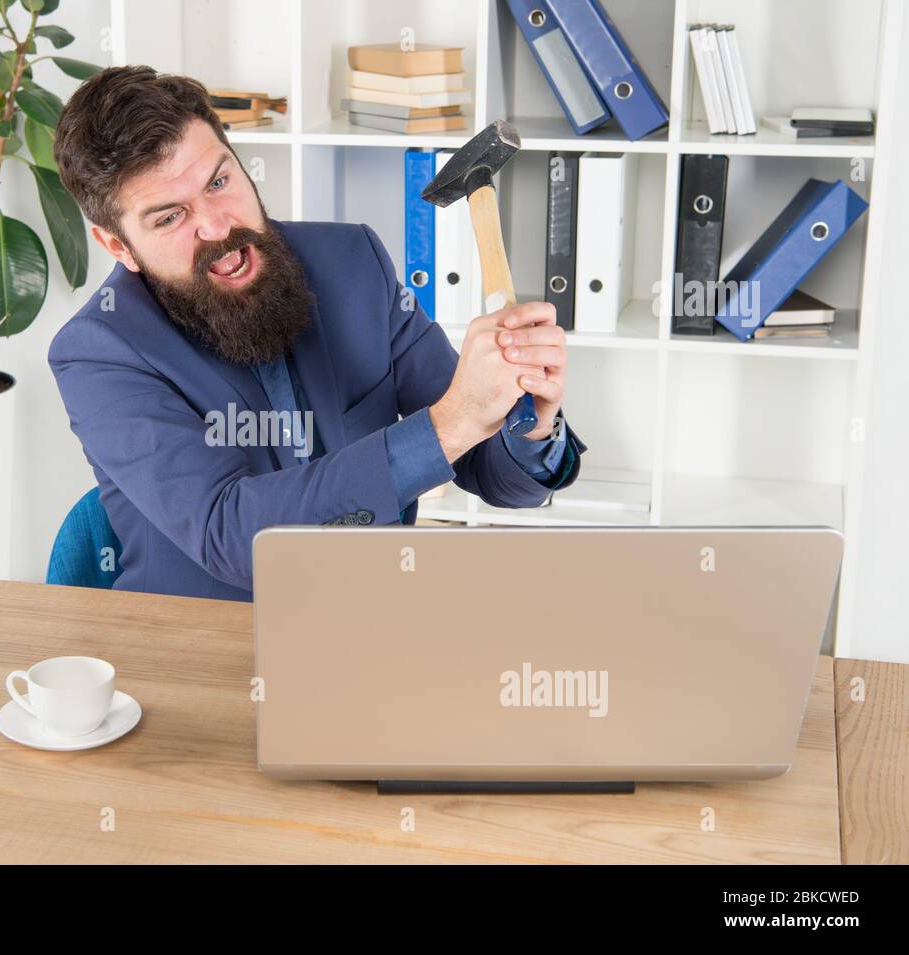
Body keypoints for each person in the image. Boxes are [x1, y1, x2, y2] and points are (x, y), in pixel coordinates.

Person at [49, 66, 586, 601]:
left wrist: (528, 425)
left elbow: (492, 473)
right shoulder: (99, 353)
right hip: (212, 645)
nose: (216, 227)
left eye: (218, 182)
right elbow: (232, 538)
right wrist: (450, 425)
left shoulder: (354, 262)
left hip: (376, 617)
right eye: (169, 218)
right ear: (117, 245)